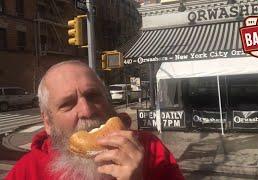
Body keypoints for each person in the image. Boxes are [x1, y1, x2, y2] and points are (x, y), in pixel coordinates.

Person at [6, 60, 184, 180]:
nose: (87, 110)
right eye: (67, 104)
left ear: (108, 101)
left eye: (93, 95)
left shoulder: (151, 149)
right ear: (48, 122)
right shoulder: (26, 172)